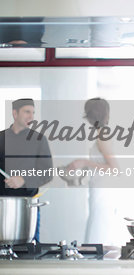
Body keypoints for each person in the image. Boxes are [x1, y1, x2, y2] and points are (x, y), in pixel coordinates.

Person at [66, 98, 121, 245]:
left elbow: (114, 169)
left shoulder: (103, 135)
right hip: (100, 189)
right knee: (98, 234)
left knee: (99, 236)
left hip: (103, 191)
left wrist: (84, 162)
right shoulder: (101, 134)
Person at [0, 98, 53, 241]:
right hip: (2, 206)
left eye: (33, 113)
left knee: (29, 251)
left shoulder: (39, 139)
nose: (31, 117)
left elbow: (47, 173)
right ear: (15, 113)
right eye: (27, 112)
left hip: (28, 207)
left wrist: (23, 179)